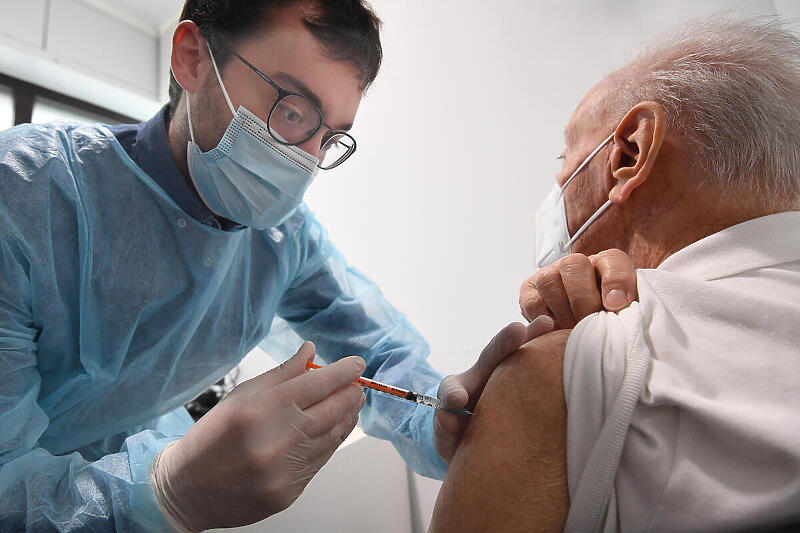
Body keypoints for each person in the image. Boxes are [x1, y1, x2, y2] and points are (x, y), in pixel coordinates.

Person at [430, 16, 800, 532]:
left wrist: (516, 400)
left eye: (566, 156)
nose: (558, 183)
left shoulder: (562, 371)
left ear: (629, 153)